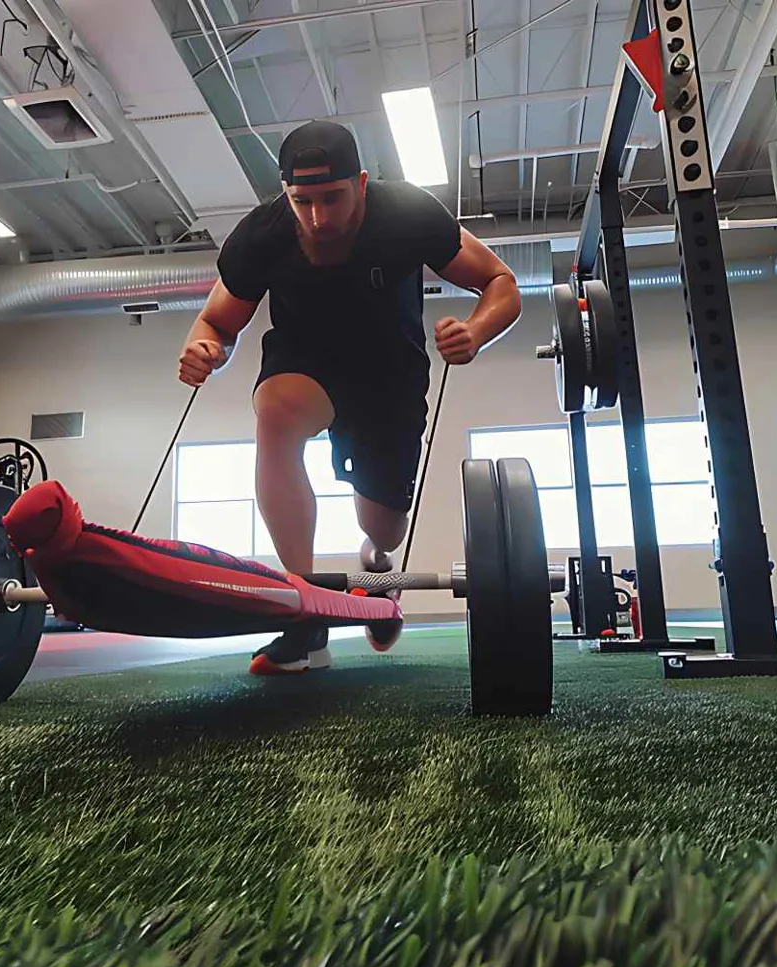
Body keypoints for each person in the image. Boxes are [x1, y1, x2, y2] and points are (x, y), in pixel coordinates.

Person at [176, 120, 522, 675]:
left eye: (332, 198)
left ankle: (377, 563)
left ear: (361, 183)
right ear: (286, 194)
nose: (317, 217)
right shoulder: (263, 235)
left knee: (384, 526)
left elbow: (501, 283)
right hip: (304, 363)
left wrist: (475, 332)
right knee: (275, 412)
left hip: (389, 379)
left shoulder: (406, 214)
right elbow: (217, 322)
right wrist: (204, 348)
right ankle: (303, 614)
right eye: (302, 201)